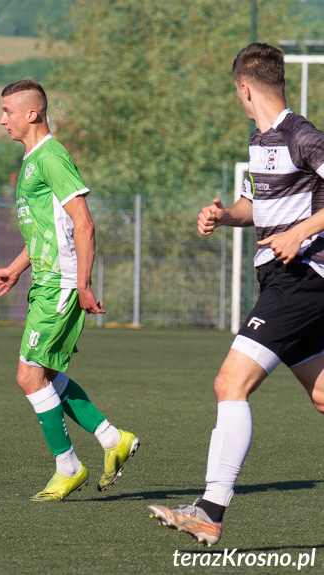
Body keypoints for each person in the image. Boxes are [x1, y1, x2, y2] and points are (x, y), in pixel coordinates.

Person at [148, 43, 324, 546]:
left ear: (244, 89)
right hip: (281, 279)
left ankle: (208, 509)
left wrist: (300, 234)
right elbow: (256, 205)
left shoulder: (303, 136)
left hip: (303, 277)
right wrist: (226, 216)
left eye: (237, 93)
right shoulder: (260, 138)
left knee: (230, 384)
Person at [0, 79, 139, 501]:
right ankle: (113, 440)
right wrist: (16, 269)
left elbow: (83, 223)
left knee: (29, 376)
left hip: (61, 282)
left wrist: (82, 284)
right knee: (47, 374)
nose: (2, 120)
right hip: (45, 278)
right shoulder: (33, 160)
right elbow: (44, 229)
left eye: (8, 112)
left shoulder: (51, 156)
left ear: (32, 113)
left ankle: (67, 466)